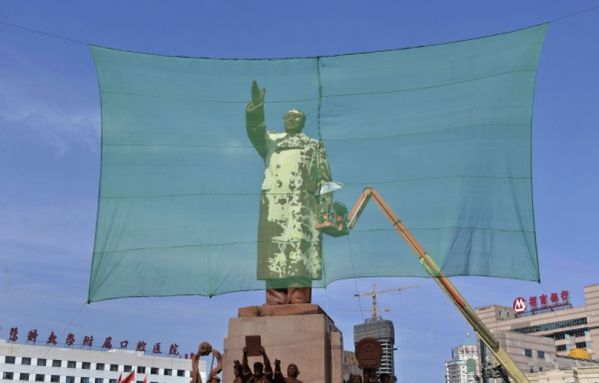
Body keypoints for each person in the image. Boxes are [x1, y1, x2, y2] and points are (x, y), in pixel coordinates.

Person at [246, 80, 333, 305]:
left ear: (303, 122)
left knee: (299, 251)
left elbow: (325, 180)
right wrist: (256, 106)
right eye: (288, 117)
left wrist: (325, 210)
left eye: (297, 117)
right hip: (274, 204)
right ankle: (275, 298)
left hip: (303, 205)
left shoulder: (314, 145)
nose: (292, 119)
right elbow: (255, 131)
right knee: (273, 251)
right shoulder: (271, 141)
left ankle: (298, 297)